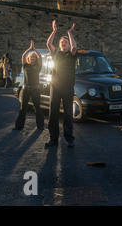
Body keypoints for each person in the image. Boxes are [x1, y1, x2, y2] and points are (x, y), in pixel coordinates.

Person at [45, 20, 77, 148]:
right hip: (55, 87)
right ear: (59, 45)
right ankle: (53, 139)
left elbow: (74, 46)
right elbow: (48, 44)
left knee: (68, 113)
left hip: (68, 87)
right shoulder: (56, 54)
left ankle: (69, 139)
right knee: (53, 113)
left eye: (65, 42)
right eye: (62, 42)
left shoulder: (71, 54)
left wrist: (69, 33)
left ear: (68, 45)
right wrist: (54, 31)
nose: (64, 43)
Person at [13, 40, 44, 130]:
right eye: (31, 57)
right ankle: (19, 126)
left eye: (34, 57)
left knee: (37, 107)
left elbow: (40, 57)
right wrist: (29, 49)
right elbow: (23, 56)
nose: (32, 58)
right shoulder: (26, 66)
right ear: (29, 58)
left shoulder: (38, 66)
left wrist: (35, 49)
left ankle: (40, 125)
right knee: (23, 108)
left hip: (35, 89)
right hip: (26, 89)